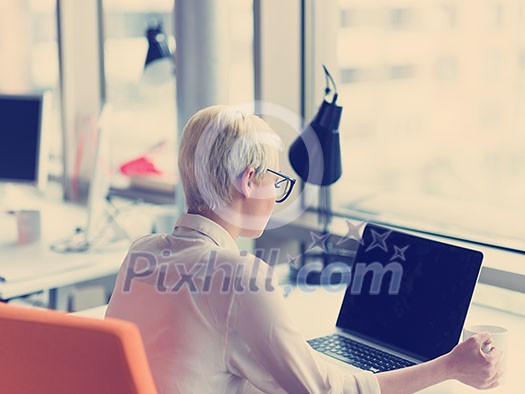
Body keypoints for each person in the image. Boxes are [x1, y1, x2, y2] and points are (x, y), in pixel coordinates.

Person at [106, 105, 503, 393]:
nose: (276, 196)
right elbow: (331, 393)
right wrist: (451, 366)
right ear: (249, 181)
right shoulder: (237, 276)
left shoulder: (141, 253)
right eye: (275, 178)